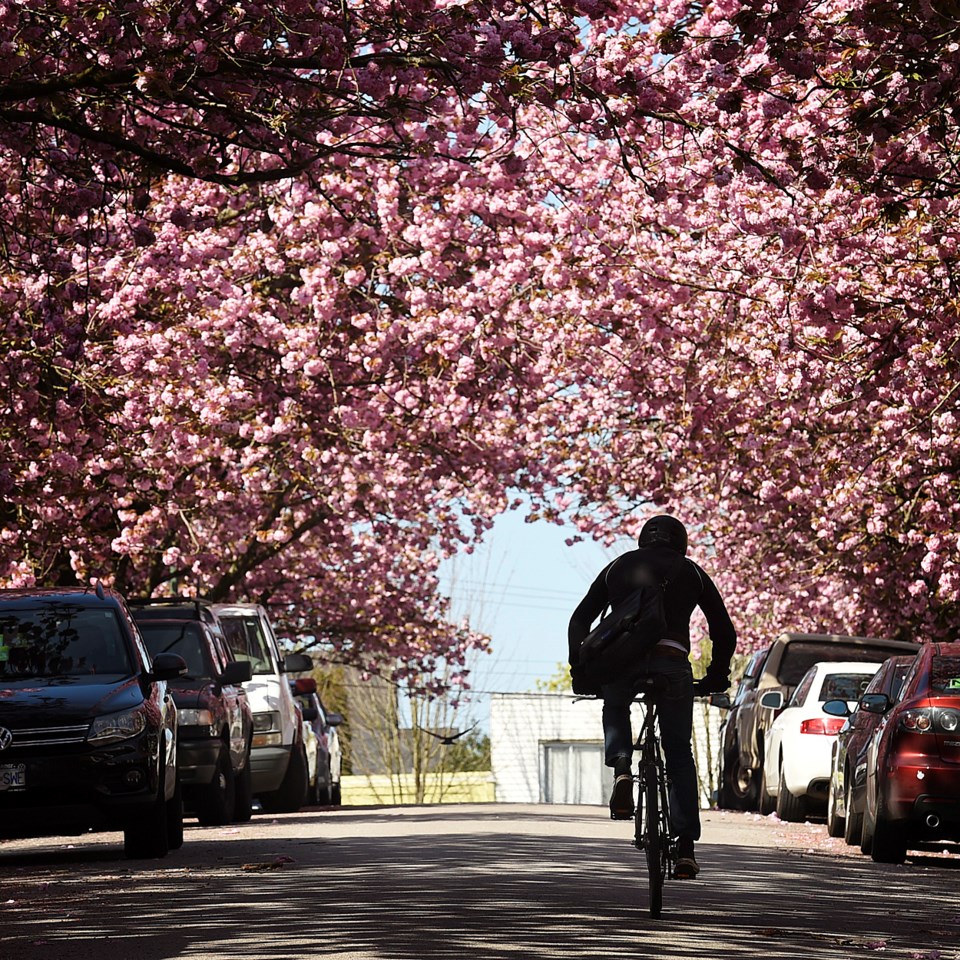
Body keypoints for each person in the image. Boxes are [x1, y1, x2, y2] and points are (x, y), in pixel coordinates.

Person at [568, 514, 736, 879]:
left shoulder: (617, 567)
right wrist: (715, 676)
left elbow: (580, 619)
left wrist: (579, 672)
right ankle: (686, 848)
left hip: (621, 662)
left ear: (644, 540)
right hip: (672, 663)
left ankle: (623, 768)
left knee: (615, 704)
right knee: (678, 753)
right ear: (682, 542)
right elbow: (723, 630)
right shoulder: (691, 572)